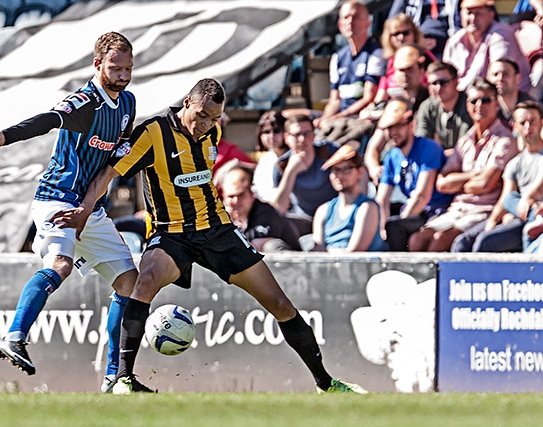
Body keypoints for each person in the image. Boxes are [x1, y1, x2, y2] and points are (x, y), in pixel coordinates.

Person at [51, 78, 367, 395]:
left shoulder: (212, 132)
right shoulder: (154, 133)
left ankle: (326, 384)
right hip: (172, 234)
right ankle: (122, 379)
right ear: (187, 102)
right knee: (144, 283)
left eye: (214, 118)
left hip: (217, 231)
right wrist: (84, 209)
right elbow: (109, 173)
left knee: (280, 304)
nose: (207, 124)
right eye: (202, 115)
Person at [0, 32, 138, 392]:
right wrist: (4, 137)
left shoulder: (128, 104)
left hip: (90, 207)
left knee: (129, 282)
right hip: (56, 198)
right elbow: (48, 120)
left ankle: (113, 377)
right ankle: (14, 336)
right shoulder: (86, 101)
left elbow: (112, 165)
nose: (122, 75)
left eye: (128, 68)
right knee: (60, 264)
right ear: (97, 65)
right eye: (115, 68)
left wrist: (90, 206)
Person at [408, 78, 519, 251]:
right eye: (474, 100)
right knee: (417, 239)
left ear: (496, 104)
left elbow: (485, 184)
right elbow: (442, 183)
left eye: (486, 100)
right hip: (457, 209)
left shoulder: (505, 140)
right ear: (467, 105)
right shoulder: (465, 141)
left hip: (483, 211)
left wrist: (460, 183)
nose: (479, 105)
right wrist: (476, 175)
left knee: (440, 240)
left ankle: (436, 279)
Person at [451, 100, 543, 252]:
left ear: (541, 122)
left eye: (532, 121)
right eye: (523, 122)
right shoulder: (515, 163)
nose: (528, 127)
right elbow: (505, 198)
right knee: (462, 242)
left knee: (484, 242)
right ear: (515, 126)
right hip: (520, 214)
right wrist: (493, 222)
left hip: (536, 211)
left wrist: (529, 200)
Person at [374, 98, 452, 251]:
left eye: (398, 126)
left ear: (410, 124)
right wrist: (382, 230)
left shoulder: (428, 147)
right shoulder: (392, 157)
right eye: (389, 128)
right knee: (387, 224)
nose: (393, 133)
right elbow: (382, 199)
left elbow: (422, 196)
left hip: (437, 210)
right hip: (415, 212)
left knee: (395, 226)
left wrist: (399, 224)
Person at [315, 0, 383, 142]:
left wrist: (341, 115)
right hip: (339, 117)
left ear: (368, 23)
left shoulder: (376, 53)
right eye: (346, 17)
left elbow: (369, 97)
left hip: (359, 118)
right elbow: (334, 100)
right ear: (340, 25)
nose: (350, 22)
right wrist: (325, 118)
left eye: (356, 17)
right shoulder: (337, 57)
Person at [364, 44, 430, 184]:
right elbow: (373, 148)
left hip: (424, 171)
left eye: (410, 69)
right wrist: (374, 168)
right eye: (400, 70)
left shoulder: (432, 101)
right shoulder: (393, 105)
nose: (405, 74)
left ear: (421, 69)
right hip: (395, 171)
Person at [309, 144, 387, 252]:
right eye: (335, 170)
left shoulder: (367, 208)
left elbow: (354, 253)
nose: (339, 176)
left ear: (360, 172)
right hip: (329, 267)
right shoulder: (323, 210)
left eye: (346, 169)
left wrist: (328, 253)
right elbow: (318, 250)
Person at [442, 0, 531, 93]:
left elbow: (495, 76)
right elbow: (445, 76)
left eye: (479, 13)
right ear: (461, 15)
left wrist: (456, 90)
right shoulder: (455, 40)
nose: (473, 18)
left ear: (491, 15)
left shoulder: (501, 34)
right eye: (469, 13)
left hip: (509, 99)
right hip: (469, 98)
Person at [272, 114, 338, 232]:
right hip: (303, 220)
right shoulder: (281, 165)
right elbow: (279, 208)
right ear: (286, 138)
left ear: (313, 136)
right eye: (297, 135)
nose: (302, 139)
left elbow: (359, 169)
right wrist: (290, 172)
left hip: (334, 216)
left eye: (307, 134)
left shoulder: (328, 152)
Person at [222, 166, 301, 252]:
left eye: (241, 195)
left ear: (252, 194)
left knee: (270, 246)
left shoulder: (267, 213)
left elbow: (254, 246)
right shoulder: (225, 216)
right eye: (231, 196)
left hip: (290, 261)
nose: (236, 201)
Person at [414, 60, 473, 155]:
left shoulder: (470, 104)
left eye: (443, 82)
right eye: (433, 83)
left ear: (456, 82)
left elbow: (464, 148)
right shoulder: (427, 107)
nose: (438, 87)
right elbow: (422, 143)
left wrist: (436, 155)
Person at [387, 0, 462, 57]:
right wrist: (419, 40)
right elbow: (393, 21)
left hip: (449, 41)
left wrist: (452, 41)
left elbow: (461, 22)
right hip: (416, 41)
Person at [486, 58, 533, 129]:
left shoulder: (533, 109)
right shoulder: (484, 106)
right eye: (495, 74)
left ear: (518, 78)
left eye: (506, 74)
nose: (500, 78)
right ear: (488, 79)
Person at [251, 110, 288, 202]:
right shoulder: (265, 159)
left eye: (276, 131)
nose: (271, 136)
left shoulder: (294, 157)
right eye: (266, 132)